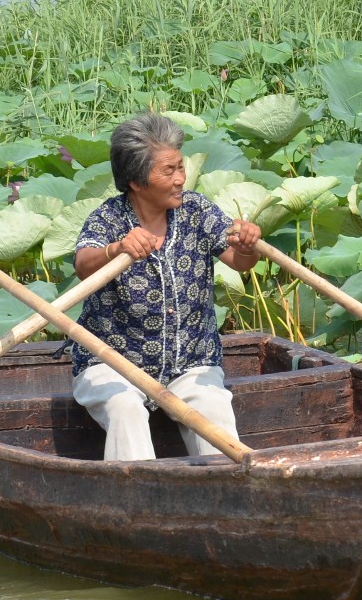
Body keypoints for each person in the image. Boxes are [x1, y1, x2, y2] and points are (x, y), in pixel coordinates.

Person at [70, 113, 263, 460]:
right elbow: (83, 265)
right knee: (124, 408)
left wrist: (248, 246)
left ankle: (225, 496)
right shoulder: (108, 219)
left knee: (213, 407)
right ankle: (138, 502)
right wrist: (116, 249)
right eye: (168, 171)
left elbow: (238, 260)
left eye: (180, 167)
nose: (180, 179)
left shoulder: (196, 210)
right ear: (136, 181)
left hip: (190, 362)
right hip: (114, 364)